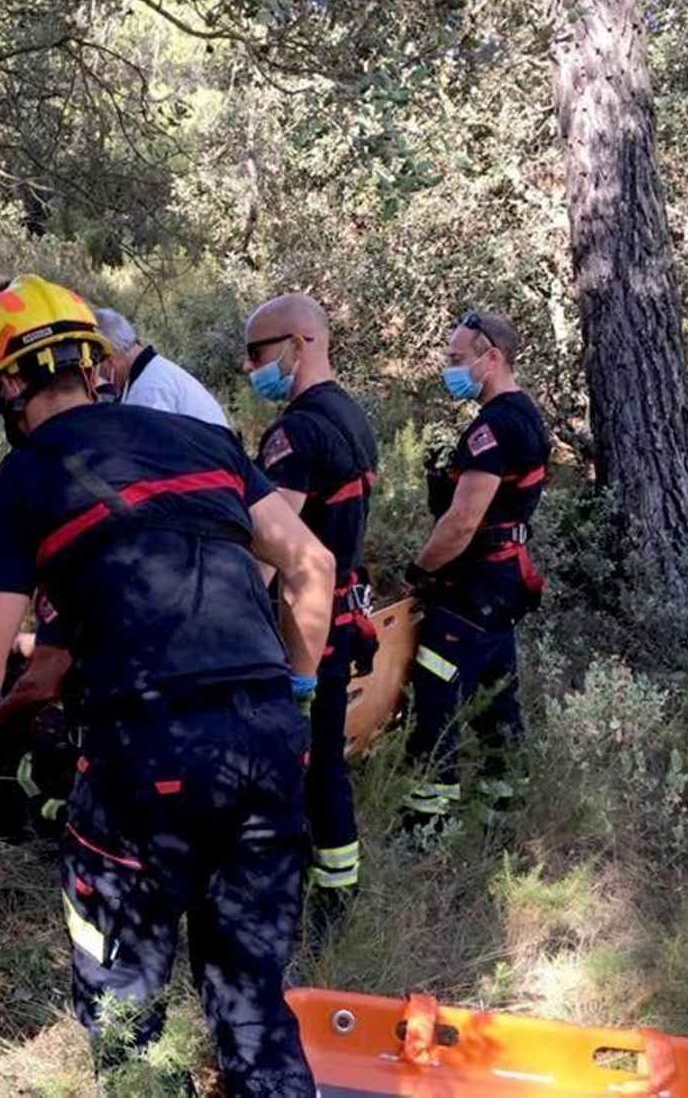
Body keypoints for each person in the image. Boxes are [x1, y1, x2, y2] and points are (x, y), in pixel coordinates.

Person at [0, 274, 336, 1094]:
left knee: (125, 1015)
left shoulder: (20, 485)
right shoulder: (203, 441)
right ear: (93, 365)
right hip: (269, 744)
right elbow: (312, 564)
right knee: (254, 1008)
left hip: (144, 753)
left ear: (7, 384)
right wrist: (296, 694)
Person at [244, 292, 379, 951]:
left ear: (301, 344)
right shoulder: (351, 415)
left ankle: (297, 913)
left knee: (293, 768)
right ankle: (337, 900)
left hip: (305, 625)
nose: (250, 369)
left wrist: (225, 619)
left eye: (258, 352)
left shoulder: (294, 434)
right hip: (346, 611)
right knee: (326, 763)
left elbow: (275, 551)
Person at [401, 310, 549, 839]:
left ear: (492, 358)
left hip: (471, 587)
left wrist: (418, 570)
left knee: (433, 697)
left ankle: (427, 824)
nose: (449, 369)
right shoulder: (526, 415)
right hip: (503, 586)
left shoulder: (493, 428)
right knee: (495, 698)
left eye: (457, 360)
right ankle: (499, 819)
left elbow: (462, 521)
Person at [93, 307, 230, 428]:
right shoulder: (154, 372)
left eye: (103, 374)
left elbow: (147, 452)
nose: (105, 380)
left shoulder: (149, 390)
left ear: (111, 359)